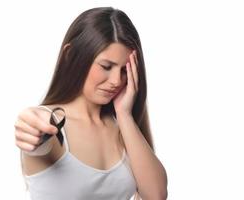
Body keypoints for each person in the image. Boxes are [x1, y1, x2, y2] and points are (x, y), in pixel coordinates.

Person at [14, 7, 167, 200]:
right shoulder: (50, 125)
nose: (116, 81)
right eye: (106, 66)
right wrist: (29, 123)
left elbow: (156, 195)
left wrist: (125, 115)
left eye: (123, 71)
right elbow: (33, 126)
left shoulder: (122, 127)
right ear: (70, 55)